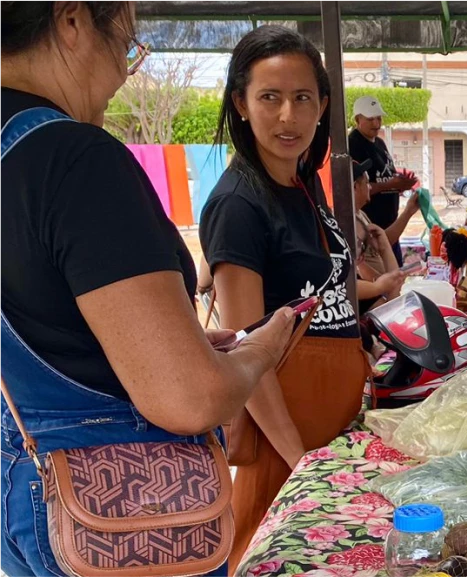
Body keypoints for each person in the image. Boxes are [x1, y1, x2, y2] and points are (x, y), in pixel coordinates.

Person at [0, 3, 295, 577]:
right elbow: (189, 400)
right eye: (127, 46)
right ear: (72, 21)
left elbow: (50, 320)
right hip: (122, 516)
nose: (121, 74)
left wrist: (174, 345)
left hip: (24, 489)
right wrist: (261, 349)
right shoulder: (75, 161)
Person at [199, 26, 370, 571]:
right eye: (269, 98)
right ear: (241, 105)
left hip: (332, 432)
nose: (287, 118)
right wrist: (300, 462)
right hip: (284, 441)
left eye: (302, 99)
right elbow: (246, 352)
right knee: (274, 554)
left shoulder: (303, 184)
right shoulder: (238, 206)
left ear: (322, 105)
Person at [348, 96, 417, 262]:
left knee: (395, 272)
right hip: (371, 229)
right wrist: (391, 184)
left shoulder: (379, 143)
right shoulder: (353, 144)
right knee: (385, 278)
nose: (376, 124)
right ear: (358, 119)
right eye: (370, 119)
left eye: (378, 118)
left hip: (391, 225)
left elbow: (387, 177)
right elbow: (355, 186)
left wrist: (401, 183)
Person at [352, 159, 408, 312]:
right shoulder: (352, 286)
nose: (370, 186)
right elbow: (394, 308)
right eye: (367, 182)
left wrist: (384, 248)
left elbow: (395, 292)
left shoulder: (360, 216)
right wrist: (378, 286)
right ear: (355, 186)